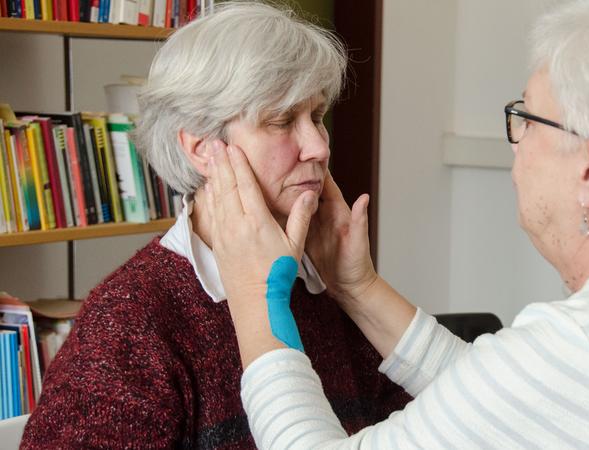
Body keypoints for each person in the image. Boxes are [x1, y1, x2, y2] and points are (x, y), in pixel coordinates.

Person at [207, 0, 589, 448]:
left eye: (528, 118)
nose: (517, 145)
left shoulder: (581, 353)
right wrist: (358, 288)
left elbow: (543, 385)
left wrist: (258, 300)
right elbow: (514, 400)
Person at [20, 3, 410, 448]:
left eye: (317, 117)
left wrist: (358, 288)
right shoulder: (131, 319)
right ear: (203, 148)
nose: (318, 145)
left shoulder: (329, 288)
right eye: (282, 121)